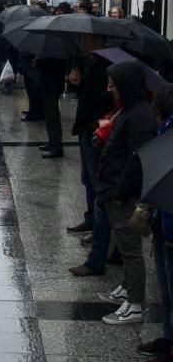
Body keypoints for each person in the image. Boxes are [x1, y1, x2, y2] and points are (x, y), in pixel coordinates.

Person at [71, 62, 156, 321]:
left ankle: (135, 303)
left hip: (123, 191)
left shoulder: (140, 115)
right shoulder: (127, 110)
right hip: (114, 188)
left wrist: (119, 190)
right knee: (121, 240)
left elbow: (136, 158)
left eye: (113, 85)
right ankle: (127, 288)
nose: (110, 90)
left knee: (130, 249)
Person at [138, 84, 173, 362]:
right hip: (164, 221)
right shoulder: (165, 129)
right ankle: (168, 337)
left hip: (171, 223)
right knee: (166, 288)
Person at [65, 38, 111, 234]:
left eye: (87, 39)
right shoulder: (90, 63)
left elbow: (102, 99)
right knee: (87, 178)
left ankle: (100, 227)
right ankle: (91, 218)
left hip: (95, 129)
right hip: (86, 127)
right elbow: (85, 95)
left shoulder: (105, 67)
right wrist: (76, 83)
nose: (83, 43)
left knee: (95, 179)